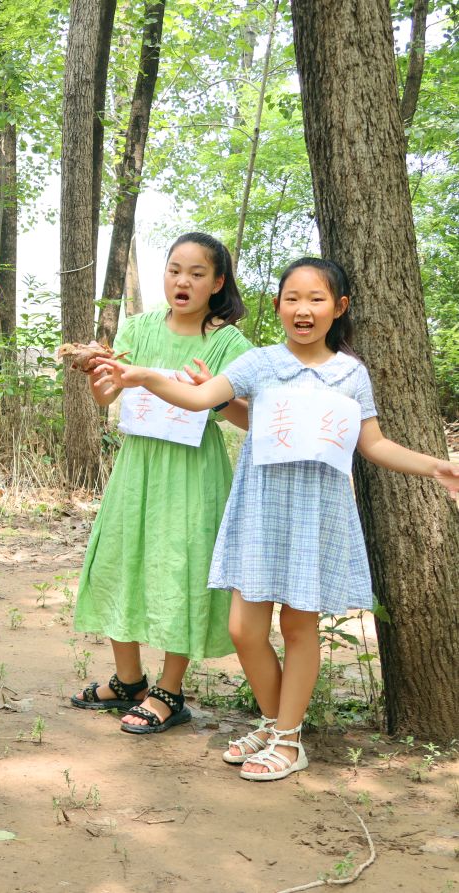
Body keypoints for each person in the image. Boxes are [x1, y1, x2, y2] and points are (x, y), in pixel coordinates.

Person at [97, 257, 459, 780]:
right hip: (258, 509)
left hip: (316, 513)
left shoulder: (350, 375)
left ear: (340, 308)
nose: (303, 310)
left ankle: (289, 741)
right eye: (292, 299)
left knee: (297, 624)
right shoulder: (260, 363)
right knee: (244, 628)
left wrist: (437, 467)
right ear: (278, 306)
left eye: (316, 299)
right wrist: (145, 376)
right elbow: (200, 397)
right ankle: (273, 723)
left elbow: (373, 443)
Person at [69, 233, 253, 733]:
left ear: (217, 283)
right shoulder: (141, 326)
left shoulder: (229, 342)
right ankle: (129, 681)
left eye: (197, 273)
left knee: (180, 569)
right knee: (119, 559)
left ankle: (171, 691)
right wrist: (97, 374)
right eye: (175, 270)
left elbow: (251, 416)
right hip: (140, 463)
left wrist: (210, 397)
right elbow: (108, 397)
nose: (183, 281)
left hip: (193, 472)